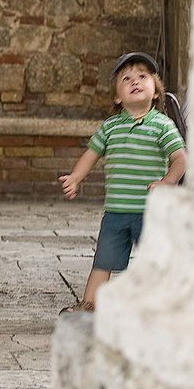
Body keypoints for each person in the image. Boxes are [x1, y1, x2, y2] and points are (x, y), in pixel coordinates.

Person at [58, 51, 186, 314]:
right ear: (118, 96)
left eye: (142, 76)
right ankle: (89, 304)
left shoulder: (162, 126)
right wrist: (75, 177)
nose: (135, 81)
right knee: (103, 261)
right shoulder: (110, 127)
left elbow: (181, 159)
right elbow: (91, 154)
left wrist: (168, 182)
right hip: (116, 211)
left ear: (155, 92)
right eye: (126, 78)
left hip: (150, 213)